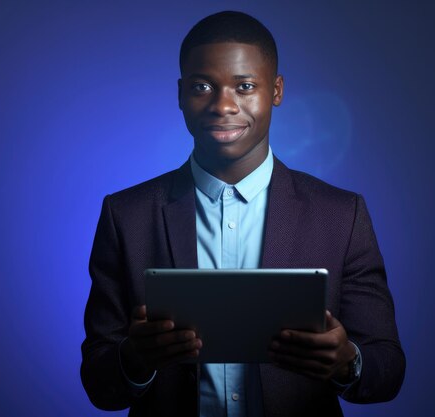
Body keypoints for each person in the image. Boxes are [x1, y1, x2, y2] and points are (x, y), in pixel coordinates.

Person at [80, 11, 405, 417]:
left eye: (245, 86)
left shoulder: (341, 215)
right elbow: (98, 382)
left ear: (277, 90)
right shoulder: (125, 215)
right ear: (181, 94)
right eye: (202, 87)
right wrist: (135, 359)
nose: (223, 105)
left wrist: (347, 361)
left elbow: (388, 370)